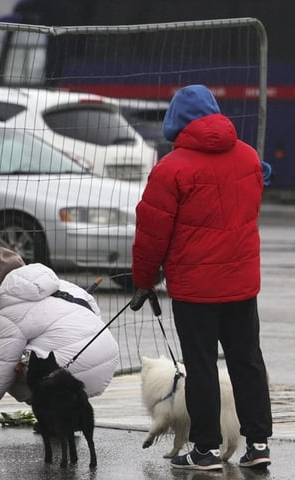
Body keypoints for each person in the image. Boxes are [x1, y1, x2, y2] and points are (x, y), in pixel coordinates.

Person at [131, 84, 273, 471]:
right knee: (247, 361)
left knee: (202, 366)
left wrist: (144, 279)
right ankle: (258, 443)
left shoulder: (172, 168)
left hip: (196, 291)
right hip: (242, 284)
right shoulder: (248, 157)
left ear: (176, 121)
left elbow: (151, 232)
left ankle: (205, 449)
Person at [0, 247, 119, 427]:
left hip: (68, 370)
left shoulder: (10, 310)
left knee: (16, 371)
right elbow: (93, 316)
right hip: (107, 358)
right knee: (40, 355)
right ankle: (69, 417)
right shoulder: (63, 285)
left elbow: (1, 370)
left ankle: (52, 418)